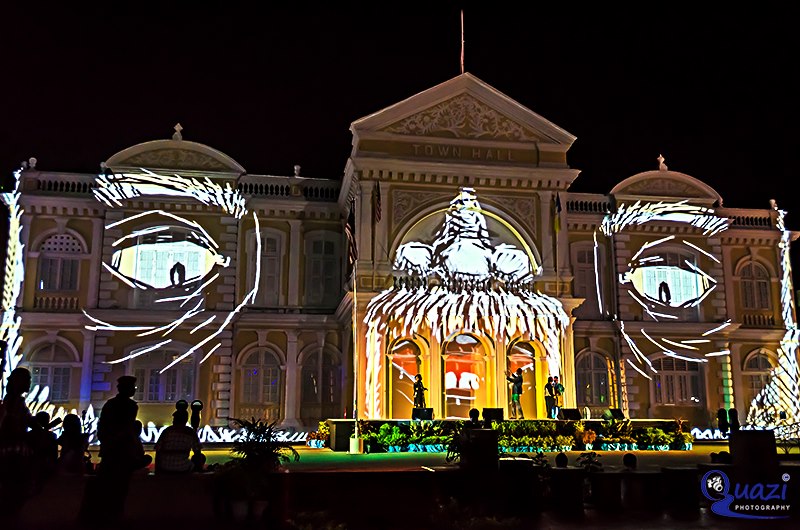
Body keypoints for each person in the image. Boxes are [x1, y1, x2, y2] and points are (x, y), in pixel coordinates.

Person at [155, 407, 205, 474]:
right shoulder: (190, 432)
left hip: (165, 467)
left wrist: (157, 470)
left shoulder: (167, 431)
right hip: (183, 467)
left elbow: (158, 450)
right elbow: (197, 452)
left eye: (174, 419)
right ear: (185, 420)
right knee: (201, 457)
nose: (173, 421)